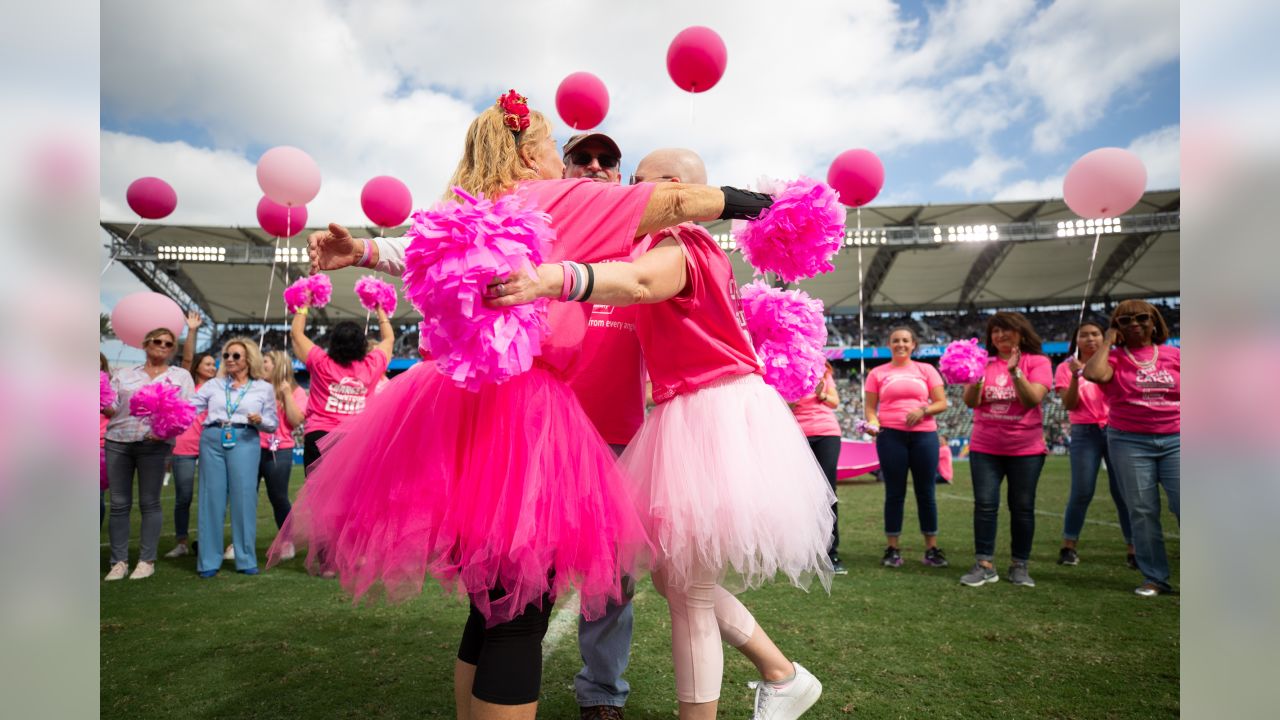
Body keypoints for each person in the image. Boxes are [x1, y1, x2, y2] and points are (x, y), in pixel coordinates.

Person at [290, 94, 780, 720]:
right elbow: (681, 202)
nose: (569, 159)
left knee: (492, 605)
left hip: (466, 413)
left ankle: (578, 696)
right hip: (527, 423)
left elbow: (421, 248)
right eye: (555, 145)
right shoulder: (561, 200)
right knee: (521, 614)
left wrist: (359, 249)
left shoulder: (476, 210)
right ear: (529, 152)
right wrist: (760, 205)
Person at [490, 148, 832, 720]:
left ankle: (774, 680)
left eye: (638, 186)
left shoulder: (683, 245)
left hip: (709, 413)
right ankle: (782, 673)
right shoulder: (676, 244)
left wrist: (552, 278)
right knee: (677, 579)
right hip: (690, 410)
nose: (627, 199)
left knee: (689, 590)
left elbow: (643, 284)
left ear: (671, 190)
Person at [560, 131, 641, 720]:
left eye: (606, 161)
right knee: (523, 566)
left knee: (612, 578)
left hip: (619, 437)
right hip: (538, 435)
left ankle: (602, 692)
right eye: (582, 158)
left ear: (620, 176)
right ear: (562, 170)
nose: (594, 167)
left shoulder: (645, 251)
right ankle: (505, 672)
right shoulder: (535, 237)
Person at [1084, 301, 1180, 597]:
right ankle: (1154, 577)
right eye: (1125, 320)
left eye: (1141, 318)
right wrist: (1110, 339)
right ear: (1117, 326)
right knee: (1142, 509)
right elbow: (1093, 374)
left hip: (1177, 439)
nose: (1134, 323)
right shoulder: (1112, 357)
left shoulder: (1175, 355)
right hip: (1129, 441)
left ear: (1155, 323)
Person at [959, 312, 1052, 588]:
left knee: (1022, 508)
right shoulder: (982, 362)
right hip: (985, 446)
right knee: (985, 506)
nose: (1000, 335)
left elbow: (1031, 399)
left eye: (1006, 330)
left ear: (1021, 333)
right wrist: (976, 378)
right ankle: (984, 564)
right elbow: (970, 402)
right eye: (995, 331)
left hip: (1026, 448)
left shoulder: (1039, 362)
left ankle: (1019, 565)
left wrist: (1015, 372)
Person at [102, 327, 195, 581]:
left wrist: (165, 432)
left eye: (168, 343)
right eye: (157, 341)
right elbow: (111, 409)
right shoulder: (124, 374)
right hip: (118, 440)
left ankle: (146, 561)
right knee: (119, 504)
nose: (162, 345)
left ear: (173, 349)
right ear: (145, 343)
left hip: (155, 446)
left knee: (149, 502)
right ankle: (118, 562)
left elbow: (187, 412)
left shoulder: (181, 376)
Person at [862, 327, 949, 569]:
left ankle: (932, 548)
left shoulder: (926, 370)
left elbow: (942, 402)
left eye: (905, 340)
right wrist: (873, 423)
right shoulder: (877, 373)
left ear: (913, 345)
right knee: (894, 493)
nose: (900, 344)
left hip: (924, 436)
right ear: (889, 345)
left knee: (926, 493)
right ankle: (892, 548)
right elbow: (870, 408)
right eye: (895, 341)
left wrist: (923, 410)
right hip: (890, 437)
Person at [191, 338, 278, 577]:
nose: (229, 360)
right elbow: (190, 407)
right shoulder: (213, 386)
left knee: (244, 498)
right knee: (211, 498)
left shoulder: (264, 388)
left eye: (236, 356)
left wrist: (261, 421)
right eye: (227, 355)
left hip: (246, 439)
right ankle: (208, 561)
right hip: (212, 438)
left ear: (249, 359)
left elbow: (273, 424)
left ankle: (245, 558)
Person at [1055, 320, 1135, 568]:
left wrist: (1088, 370)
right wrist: (1077, 375)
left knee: (1123, 493)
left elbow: (1118, 393)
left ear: (1104, 337)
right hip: (1084, 431)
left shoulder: (1115, 362)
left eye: (1095, 334)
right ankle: (1068, 547)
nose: (1090, 339)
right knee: (1081, 491)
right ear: (1075, 340)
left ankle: (1134, 549)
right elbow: (1068, 404)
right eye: (1084, 335)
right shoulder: (1065, 367)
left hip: (1117, 429)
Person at [291, 310, 393, 473]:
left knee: (317, 496)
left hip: (319, 436)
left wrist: (304, 305)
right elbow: (389, 339)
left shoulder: (321, 362)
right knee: (351, 495)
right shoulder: (371, 366)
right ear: (363, 345)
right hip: (356, 438)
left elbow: (296, 334)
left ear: (333, 343)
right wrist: (380, 309)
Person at [791, 361, 847, 575]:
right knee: (801, 496)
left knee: (827, 492)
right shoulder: (783, 373)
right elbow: (783, 406)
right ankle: (803, 552)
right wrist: (795, 393)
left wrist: (822, 394)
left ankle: (831, 552)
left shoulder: (821, 372)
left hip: (827, 433)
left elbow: (834, 402)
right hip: (797, 433)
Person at [164, 349, 216, 559]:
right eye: (208, 364)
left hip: (209, 447)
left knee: (210, 497)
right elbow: (186, 359)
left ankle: (206, 541)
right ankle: (182, 542)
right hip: (184, 446)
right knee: (183, 497)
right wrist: (192, 330)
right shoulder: (187, 386)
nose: (213, 367)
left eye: (214, 364)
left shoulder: (219, 387)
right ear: (196, 367)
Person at [258, 350, 306, 560]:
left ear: (277, 365)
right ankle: (240, 542)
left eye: (266, 361)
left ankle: (287, 540)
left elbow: (296, 421)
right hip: (251, 448)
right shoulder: (255, 387)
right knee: (246, 498)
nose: (262, 364)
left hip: (281, 449)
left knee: (278, 497)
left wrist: (286, 394)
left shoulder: (296, 391)